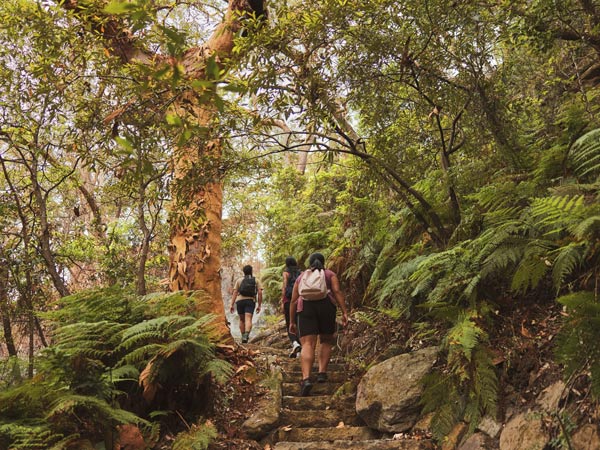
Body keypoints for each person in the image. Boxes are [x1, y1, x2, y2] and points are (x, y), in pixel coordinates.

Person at [289, 253, 349, 396]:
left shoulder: (301, 277)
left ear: (309, 264)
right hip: (327, 307)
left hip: (306, 308)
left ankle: (306, 378)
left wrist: (292, 321)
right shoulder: (329, 274)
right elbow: (337, 291)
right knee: (326, 340)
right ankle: (322, 373)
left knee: (307, 344)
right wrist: (345, 312)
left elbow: (293, 300)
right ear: (324, 262)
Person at [229, 265, 262, 343]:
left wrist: (231, 304)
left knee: (241, 319)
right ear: (251, 271)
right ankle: (246, 336)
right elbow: (260, 293)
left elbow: (235, 292)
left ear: (243, 272)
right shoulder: (256, 280)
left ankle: (243, 336)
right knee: (248, 319)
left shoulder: (239, 280)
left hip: (240, 301)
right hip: (250, 301)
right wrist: (259, 305)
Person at [282, 256, 302, 358]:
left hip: (288, 301)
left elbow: (285, 287)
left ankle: (295, 343)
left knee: (290, 323)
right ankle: (299, 352)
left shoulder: (286, 273)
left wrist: (282, 300)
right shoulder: (301, 273)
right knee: (298, 324)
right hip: (300, 301)